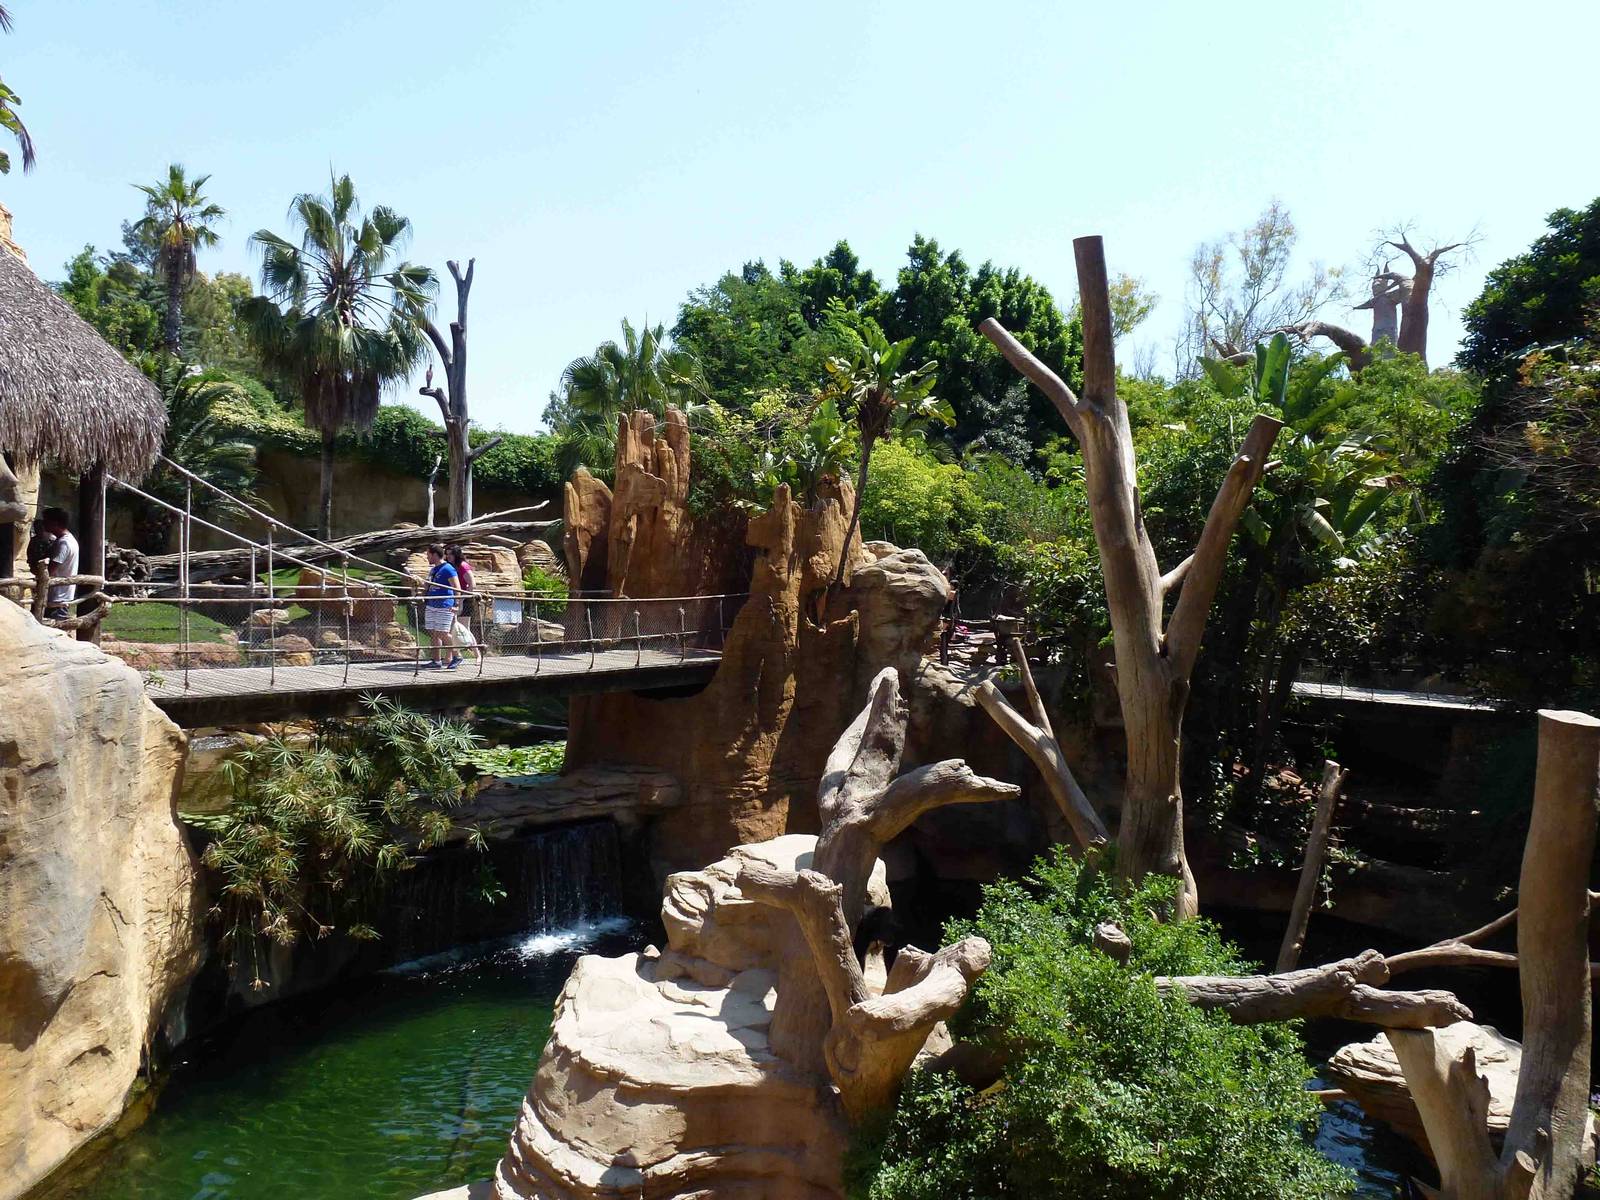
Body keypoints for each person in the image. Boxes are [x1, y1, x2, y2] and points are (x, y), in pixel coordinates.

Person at [422, 543, 461, 669]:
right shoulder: (433, 570)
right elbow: (427, 586)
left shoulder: (448, 568)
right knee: (433, 632)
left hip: (444, 605)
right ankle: (436, 660)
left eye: (428, 555)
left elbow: (456, 587)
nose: (427, 557)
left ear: (434, 555)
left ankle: (457, 655)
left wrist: (456, 604)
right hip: (432, 604)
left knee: (442, 633)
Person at [39, 507, 78, 621]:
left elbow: (50, 569)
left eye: (46, 520)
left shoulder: (64, 544)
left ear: (55, 523)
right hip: (59, 596)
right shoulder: (67, 540)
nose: (43, 524)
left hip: (57, 597)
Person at [446, 545, 480, 663]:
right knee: (449, 630)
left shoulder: (463, 566)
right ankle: (451, 657)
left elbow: (472, 584)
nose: (448, 556)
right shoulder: (450, 566)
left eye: (451, 554)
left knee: (465, 629)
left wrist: (461, 600)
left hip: (464, 600)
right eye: (447, 553)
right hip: (453, 600)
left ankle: (477, 655)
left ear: (456, 554)